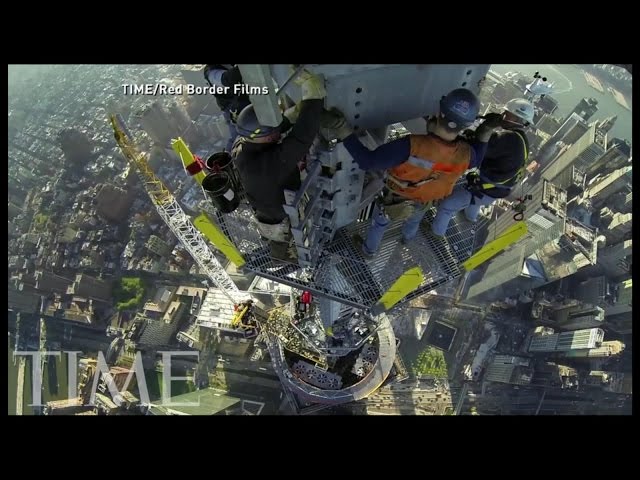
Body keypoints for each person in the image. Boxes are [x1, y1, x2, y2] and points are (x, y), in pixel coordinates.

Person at [337, 88, 493, 257]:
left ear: (439, 112)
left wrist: (343, 130)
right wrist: (487, 128)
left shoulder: (411, 146)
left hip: (396, 198)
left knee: (381, 223)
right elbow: (479, 151)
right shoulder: (468, 155)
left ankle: (369, 251)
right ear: (467, 125)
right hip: (425, 200)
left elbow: (368, 161)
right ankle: (407, 238)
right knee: (414, 219)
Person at [232, 69, 326, 261]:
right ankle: (289, 258)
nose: (277, 133)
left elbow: (268, 132)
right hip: (279, 214)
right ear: (267, 137)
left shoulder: (241, 146)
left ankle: (280, 254)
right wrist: (313, 97)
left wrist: (291, 116)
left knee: (278, 240)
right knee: (288, 240)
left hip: (266, 207)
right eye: (274, 131)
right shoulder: (268, 166)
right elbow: (301, 138)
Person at [431, 98, 534, 237]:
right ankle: (470, 218)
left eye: (508, 114)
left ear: (519, 120)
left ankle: (436, 233)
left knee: (447, 205)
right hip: (497, 190)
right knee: (475, 202)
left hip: (485, 188)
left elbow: (480, 148)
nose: (503, 115)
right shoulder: (522, 139)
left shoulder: (509, 138)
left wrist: (486, 126)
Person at [203, 64, 252, 151]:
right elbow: (227, 79)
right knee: (237, 137)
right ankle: (230, 156)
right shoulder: (211, 72)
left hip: (241, 103)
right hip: (232, 109)